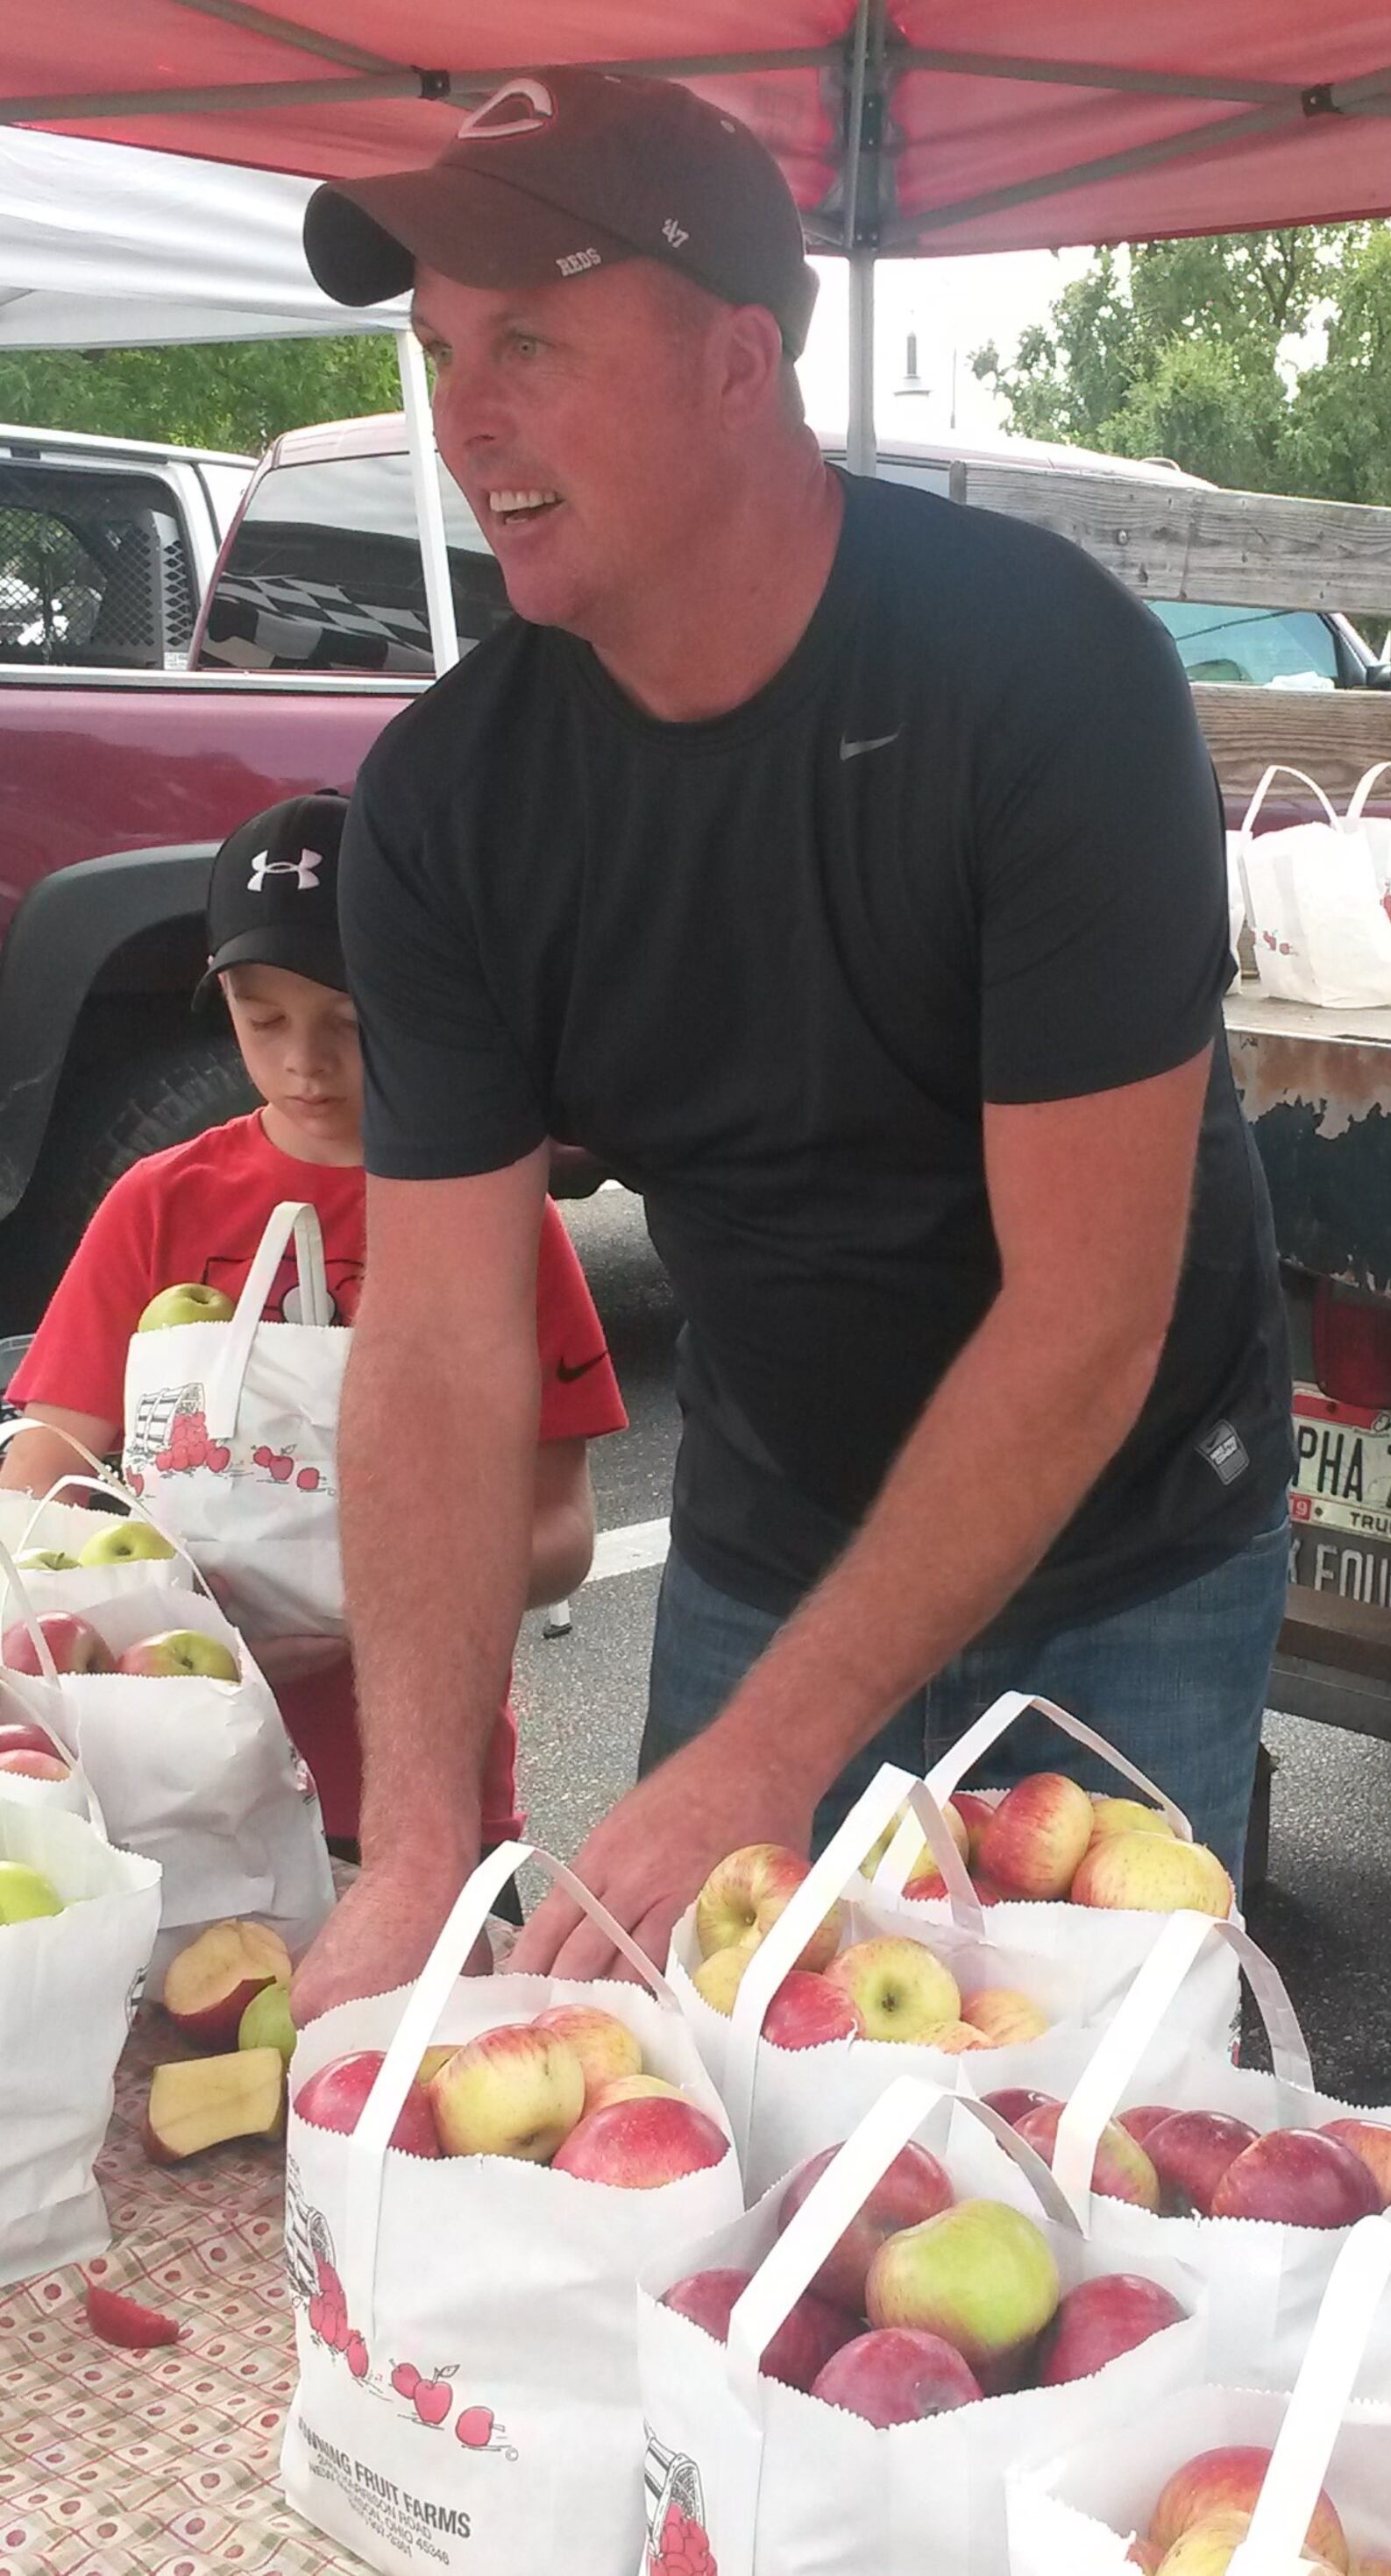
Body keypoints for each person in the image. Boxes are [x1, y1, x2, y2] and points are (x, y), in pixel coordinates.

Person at [291, 67, 1293, 2013]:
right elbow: (431, 1343)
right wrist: (414, 1837)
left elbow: (1084, 1310)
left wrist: (746, 1763)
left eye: (526, 341)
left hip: (1129, 1540)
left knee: (1096, 2179)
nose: (459, 417)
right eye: (434, 350)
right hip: (772, 1522)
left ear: (737, 364)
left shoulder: (1045, 682)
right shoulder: (444, 807)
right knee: (725, 2189)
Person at [1, 790, 626, 1871]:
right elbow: (36, 1484)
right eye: (262, 1015)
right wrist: (148, 1612)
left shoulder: (488, 1218)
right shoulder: (161, 1204)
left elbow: (561, 1531)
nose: (304, 1062)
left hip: (421, 1787)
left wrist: (382, 1597)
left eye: (350, 1017)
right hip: (181, 1781)